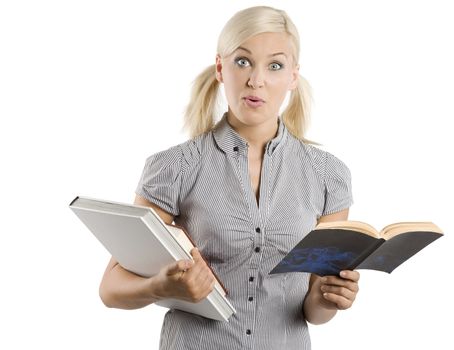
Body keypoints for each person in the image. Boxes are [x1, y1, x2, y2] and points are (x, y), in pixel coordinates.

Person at [99, 5, 360, 350]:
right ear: (221, 67)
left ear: (293, 77)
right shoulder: (174, 167)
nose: (257, 80)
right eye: (243, 61)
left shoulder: (328, 175)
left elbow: (313, 311)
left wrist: (329, 299)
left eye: (275, 66)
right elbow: (111, 287)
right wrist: (162, 286)